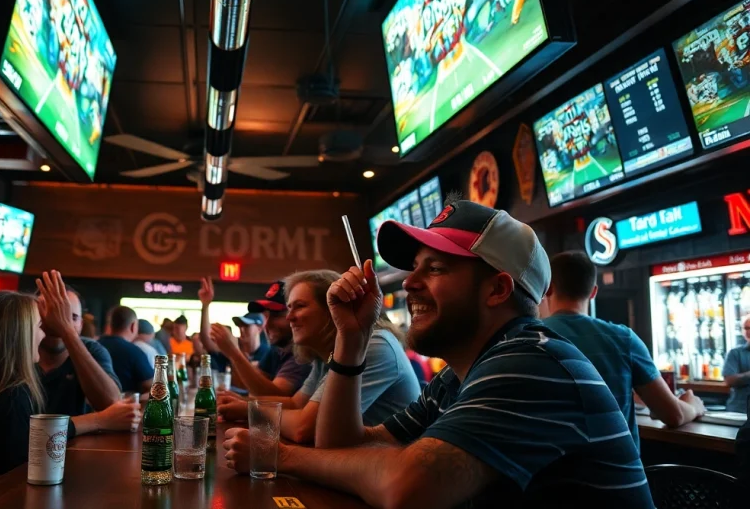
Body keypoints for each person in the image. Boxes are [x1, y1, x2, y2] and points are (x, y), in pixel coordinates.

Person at [223, 200, 655, 508]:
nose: (409, 283)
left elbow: (404, 489)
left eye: (435, 268)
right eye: (416, 267)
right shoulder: (457, 377)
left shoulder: (533, 362)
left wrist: (276, 453)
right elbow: (340, 446)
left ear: (498, 289)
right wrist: (350, 339)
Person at [0, 279, 138, 502]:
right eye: (41, 324)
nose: (48, 331)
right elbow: (35, 444)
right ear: (20, 334)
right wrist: (99, 420)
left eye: (69, 318)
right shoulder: (11, 395)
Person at [217, 269, 419, 444]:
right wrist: (244, 401)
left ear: (333, 308)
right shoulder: (327, 354)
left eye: (299, 306)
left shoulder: (373, 345)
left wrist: (250, 410)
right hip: (355, 465)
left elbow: (304, 429)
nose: (289, 317)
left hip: (386, 474)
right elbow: (297, 404)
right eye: (289, 308)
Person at [542, 251, 705, 448]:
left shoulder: (529, 338)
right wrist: (693, 406)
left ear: (549, 289)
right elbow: (673, 415)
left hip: (551, 474)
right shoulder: (623, 339)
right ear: (593, 292)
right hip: (620, 475)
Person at [208, 279, 311, 396]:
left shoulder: (302, 354)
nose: (267, 325)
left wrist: (234, 352)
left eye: (276, 315)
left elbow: (275, 396)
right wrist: (239, 400)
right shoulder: (276, 348)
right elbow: (254, 388)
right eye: (267, 316)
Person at [36, 278, 122, 415]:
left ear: (81, 325)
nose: (58, 323)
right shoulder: (17, 350)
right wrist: (96, 422)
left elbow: (112, 404)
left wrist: (66, 331)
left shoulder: (92, 349)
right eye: (51, 314)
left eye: (73, 317)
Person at [197, 277, 272, 372]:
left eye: (246, 326)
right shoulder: (234, 347)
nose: (241, 329)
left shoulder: (268, 354)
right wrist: (205, 305)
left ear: (259, 328)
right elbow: (206, 340)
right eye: (240, 325)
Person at [98, 306, 155, 394]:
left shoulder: (94, 346)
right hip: (126, 405)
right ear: (133, 326)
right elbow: (154, 388)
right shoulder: (135, 352)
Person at [723, 315, 750, 413]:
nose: (748, 331)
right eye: (746, 328)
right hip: (740, 410)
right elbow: (729, 380)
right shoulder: (735, 353)